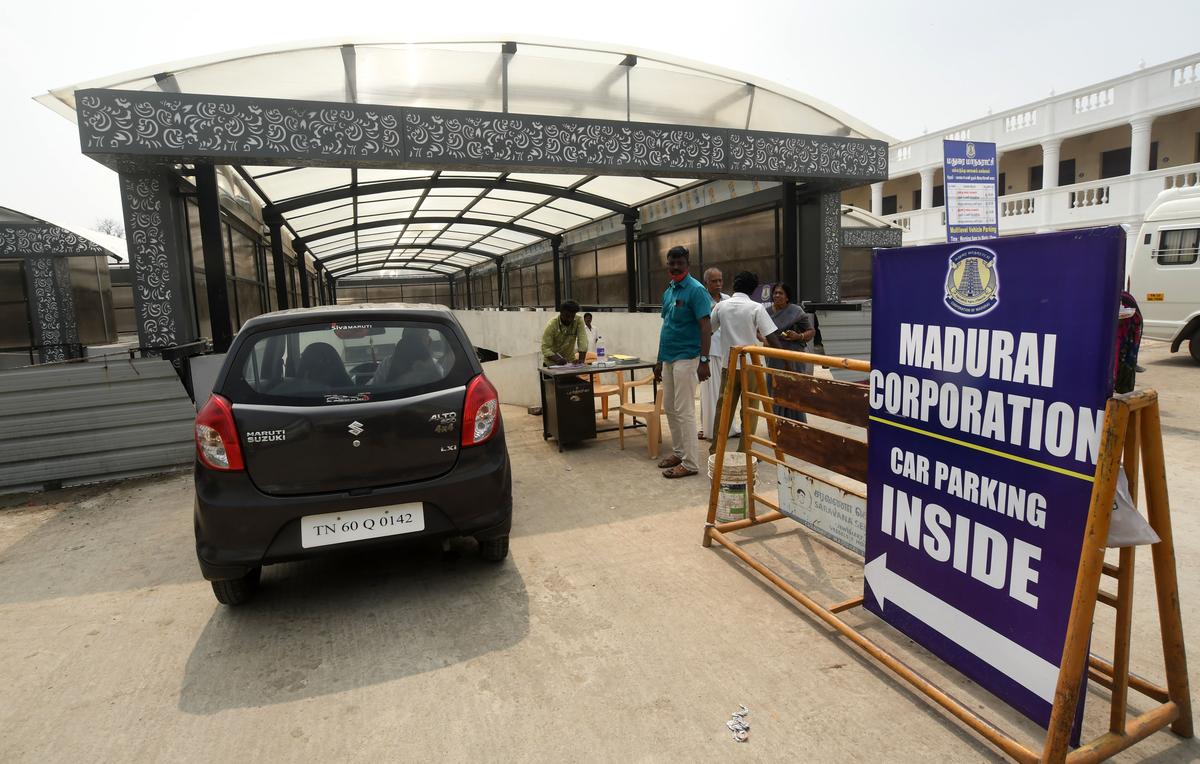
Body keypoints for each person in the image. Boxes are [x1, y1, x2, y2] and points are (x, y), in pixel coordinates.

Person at [654, 246, 712, 478]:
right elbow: (665, 327)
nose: (675, 267)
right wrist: (659, 359)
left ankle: (690, 463)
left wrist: (704, 360)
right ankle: (678, 452)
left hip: (688, 357)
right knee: (669, 407)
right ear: (667, 264)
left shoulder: (696, 290)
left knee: (685, 409)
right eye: (671, 263)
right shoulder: (668, 291)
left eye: (679, 263)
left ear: (687, 264)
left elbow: (706, 326)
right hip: (668, 357)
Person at [709, 271, 782, 454]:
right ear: (754, 289)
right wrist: (785, 359)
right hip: (751, 366)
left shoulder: (721, 306)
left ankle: (716, 450)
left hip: (729, 365)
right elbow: (771, 337)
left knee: (724, 408)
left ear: (734, 284)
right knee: (749, 411)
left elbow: (709, 329)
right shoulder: (756, 308)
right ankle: (745, 452)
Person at [766, 283, 816, 422]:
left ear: (787, 297)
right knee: (775, 387)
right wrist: (764, 340)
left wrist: (798, 336)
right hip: (774, 356)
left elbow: (811, 331)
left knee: (793, 387)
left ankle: (796, 422)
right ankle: (777, 422)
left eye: (780, 293)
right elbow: (758, 330)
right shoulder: (767, 312)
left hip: (793, 355)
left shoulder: (796, 311)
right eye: (775, 293)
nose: (777, 295)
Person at [698, 267, 729, 440]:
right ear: (706, 283)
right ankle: (710, 429)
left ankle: (727, 428)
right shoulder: (701, 299)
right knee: (709, 393)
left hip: (725, 350)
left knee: (725, 391)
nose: (718, 284)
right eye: (714, 281)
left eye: (720, 280)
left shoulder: (728, 299)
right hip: (708, 351)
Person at [541, 300, 588, 366]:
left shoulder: (578, 320)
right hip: (551, 365)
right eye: (567, 316)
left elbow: (583, 341)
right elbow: (545, 348)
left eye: (572, 316)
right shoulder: (551, 325)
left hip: (570, 363)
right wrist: (557, 359)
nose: (570, 319)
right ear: (561, 313)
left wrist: (581, 361)